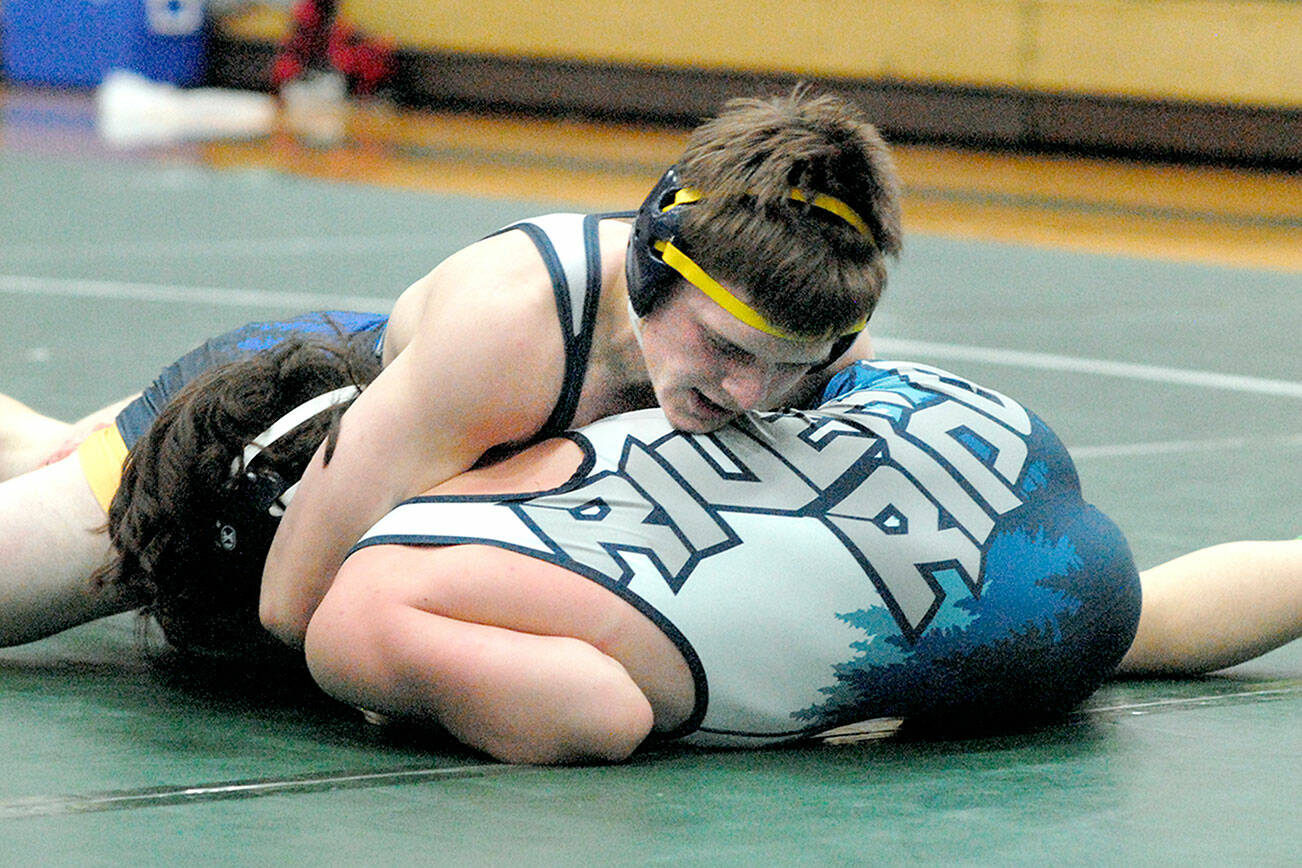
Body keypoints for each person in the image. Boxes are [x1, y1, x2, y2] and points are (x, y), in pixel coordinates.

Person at [78, 342, 1302, 764]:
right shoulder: (512, 406)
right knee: (1114, 613)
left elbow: (600, 712)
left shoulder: (361, 611)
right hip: (950, 423)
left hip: (1016, 615)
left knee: (1098, 625)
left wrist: (424, 699)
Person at [0, 86, 903, 649]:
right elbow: (288, 602)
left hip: (394, 414)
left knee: (43, 446)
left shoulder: (817, 346)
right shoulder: (512, 334)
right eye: (725, 348)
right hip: (250, 462)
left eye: (787, 369)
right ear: (648, 269)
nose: (749, 395)